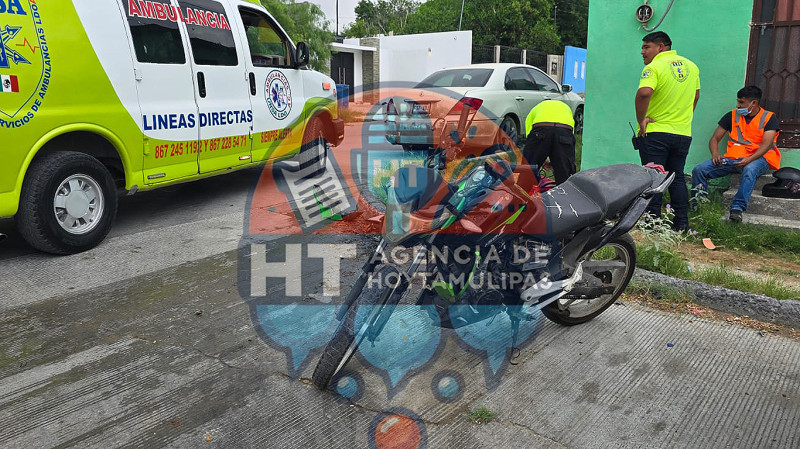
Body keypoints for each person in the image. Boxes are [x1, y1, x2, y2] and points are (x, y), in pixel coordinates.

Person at [635, 31, 700, 231]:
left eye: (647, 47)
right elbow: (696, 96)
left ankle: (652, 222)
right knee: (677, 178)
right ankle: (681, 224)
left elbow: (644, 93)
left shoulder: (654, 67)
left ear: (661, 46)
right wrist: (683, 118)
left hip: (657, 132)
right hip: (682, 133)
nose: (642, 52)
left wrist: (641, 121)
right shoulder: (692, 66)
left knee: (654, 177)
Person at [691, 86, 780, 222]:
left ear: (754, 103)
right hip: (733, 159)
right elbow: (714, 139)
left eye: (741, 102)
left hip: (760, 159)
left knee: (750, 169)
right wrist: (715, 153)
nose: (738, 105)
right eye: (738, 102)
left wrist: (749, 159)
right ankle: (698, 207)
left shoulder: (769, 117)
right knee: (700, 169)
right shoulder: (732, 115)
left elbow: (767, 145)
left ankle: (737, 208)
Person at [523, 99, 576, 184]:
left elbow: (530, 135)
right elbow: (570, 136)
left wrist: (540, 155)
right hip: (564, 130)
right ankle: (565, 194)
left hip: (540, 128)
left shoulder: (535, 108)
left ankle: (522, 192)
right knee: (565, 172)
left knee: (527, 168)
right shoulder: (566, 108)